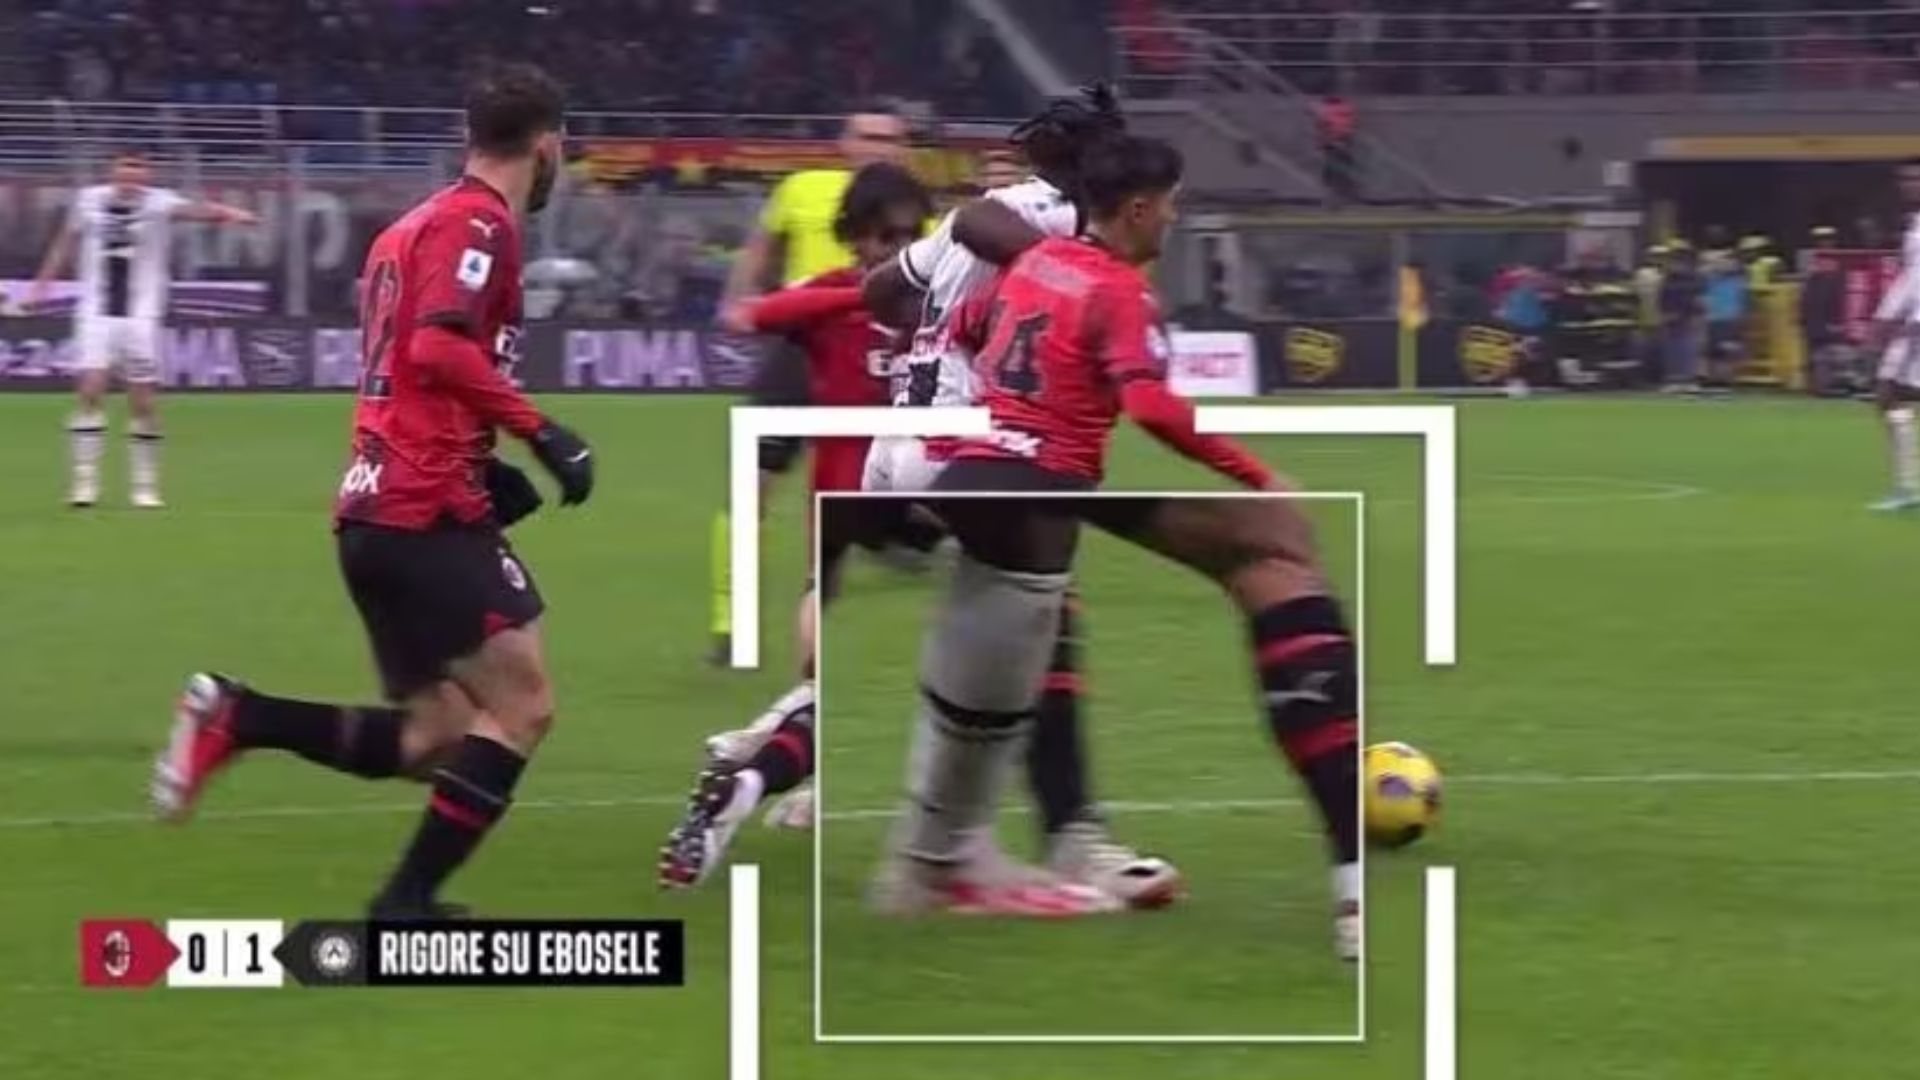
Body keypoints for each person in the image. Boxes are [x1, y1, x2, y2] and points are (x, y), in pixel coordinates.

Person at [889, 135, 1363, 959]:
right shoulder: (1119, 291)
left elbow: (957, 325)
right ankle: (1351, 890)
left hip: (972, 471)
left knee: (1038, 596)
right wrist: (1256, 474)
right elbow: (1152, 409)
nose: (1175, 219)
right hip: (1034, 481)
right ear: (1140, 208)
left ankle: (1024, 842)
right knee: (1273, 549)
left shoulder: (1034, 264)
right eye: (1172, 203)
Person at [149, 64, 597, 918]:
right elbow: (435, 349)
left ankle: (240, 716)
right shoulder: (480, 223)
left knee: (439, 736)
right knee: (524, 707)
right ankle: (404, 902)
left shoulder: (408, 228)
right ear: (550, 145)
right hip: (425, 509)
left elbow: (405, 375)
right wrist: (541, 433)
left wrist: (483, 461)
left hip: (374, 507)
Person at [858, 84, 1186, 910]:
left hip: (896, 450)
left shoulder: (1005, 210)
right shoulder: (1057, 221)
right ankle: (1035, 843)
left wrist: (949, 329)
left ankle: (807, 769)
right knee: (1036, 616)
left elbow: (879, 292)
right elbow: (979, 224)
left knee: (1008, 620)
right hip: (961, 445)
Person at [658, 163, 935, 887]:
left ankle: (761, 755)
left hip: (920, 503)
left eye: (912, 235)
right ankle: (773, 762)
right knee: (824, 661)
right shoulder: (832, 299)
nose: (900, 248)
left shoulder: (939, 300)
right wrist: (856, 296)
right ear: (855, 237)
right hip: (840, 509)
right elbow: (755, 316)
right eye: (886, 237)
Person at [707, 105, 915, 664]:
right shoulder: (802, 188)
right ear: (845, 141)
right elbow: (762, 250)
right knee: (752, 483)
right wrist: (738, 299)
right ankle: (730, 621)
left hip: (874, 360)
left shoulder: (921, 213)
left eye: (889, 138)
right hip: (807, 344)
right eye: (866, 135)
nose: (877, 145)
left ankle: (892, 535)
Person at [28, 147, 257, 508]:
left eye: (139, 168)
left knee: (143, 402)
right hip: (96, 313)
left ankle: (144, 486)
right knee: (90, 390)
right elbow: (63, 244)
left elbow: (195, 210)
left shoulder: (158, 202)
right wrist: (40, 287)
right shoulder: (89, 200)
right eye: (126, 166)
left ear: (148, 174)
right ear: (113, 170)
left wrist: (232, 214)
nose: (132, 174)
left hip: (141, 316)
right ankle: (84, 483)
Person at [1865, 161, 1920, 510]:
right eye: (1905, 178)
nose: (1909, 184)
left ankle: (1907, 488)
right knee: (1891, 396)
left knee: (1891, 395)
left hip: (1915, 329)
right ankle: (1907, 487)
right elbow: (1909, 278)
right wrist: (1884, 317)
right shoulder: (1914, 226)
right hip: (1909, 325)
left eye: (1916, 178)